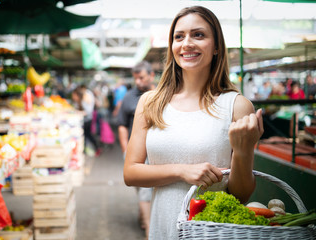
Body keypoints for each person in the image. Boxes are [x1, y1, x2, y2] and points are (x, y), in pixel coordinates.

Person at [123, 6, 264, 240]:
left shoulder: (237, 106)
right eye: (179, 36)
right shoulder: (151, 102)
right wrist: (183, 171)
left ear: (217, 46)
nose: (186, 43)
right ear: (172, 46)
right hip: (162, 229)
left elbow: (240, 196)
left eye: (198, 35)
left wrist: (243, 150)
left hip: (211, 232)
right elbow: (131, 173)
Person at [117, 61, 155, 238]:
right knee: (142, 189)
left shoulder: (161, 94)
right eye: (136, 78)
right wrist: (126, 149)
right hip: (135, 151)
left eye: (142, 77)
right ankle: (146, 219)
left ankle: (149, 229)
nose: (138, 82)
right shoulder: (129, 97)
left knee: (147, 190)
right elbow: (122, 125)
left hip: (155, 151)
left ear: (151, 75)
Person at [72, 85, 102, 157]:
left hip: (88, 120)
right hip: (87, 119)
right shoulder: (84, 97)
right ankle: (87, 150)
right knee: (86, 135)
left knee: (87, 135)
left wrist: (79, 113)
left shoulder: (86, 97)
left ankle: (95, 148)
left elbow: (88, 111)